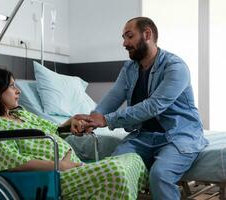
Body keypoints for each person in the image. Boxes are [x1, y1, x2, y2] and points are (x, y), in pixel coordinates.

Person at [75, 17, 208, 200]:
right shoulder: (129, 68)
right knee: (114, 169)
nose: (125, 43)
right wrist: (93, 118)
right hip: (143, 137)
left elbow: (153, 106)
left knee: (160, 175)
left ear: (147, 34)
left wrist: (106, 120)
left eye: (129, 36)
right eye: (124, 38)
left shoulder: (175, 67)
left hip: (178, 136)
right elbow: (114, 96)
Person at [0, 68, 148, 199]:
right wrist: (59, 165)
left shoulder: (21, 113)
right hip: (49, 177)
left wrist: (71, 123)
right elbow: (10, 161)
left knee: (132, 158)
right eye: (12, 86)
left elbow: (54, 129)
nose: (18, 90)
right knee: (115, 171)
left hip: (70, 169)